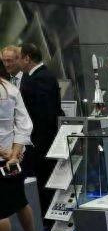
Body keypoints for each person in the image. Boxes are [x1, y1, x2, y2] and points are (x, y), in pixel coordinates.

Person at [19, 43, 64, 219]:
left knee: (44, 180)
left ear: (27, 58)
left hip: (42, 141)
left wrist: (36, 141)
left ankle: (48, 219)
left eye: (19, 58)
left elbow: (45, 114)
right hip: (39, 140)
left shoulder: (41, 78)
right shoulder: (34, 76)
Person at [0, 60, 38, 231]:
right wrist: (14, 153)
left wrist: (5, 152)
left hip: (5, 156)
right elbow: (24, 124)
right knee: (20, 201)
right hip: (14, 158)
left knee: (1, 212)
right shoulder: (11, 89)